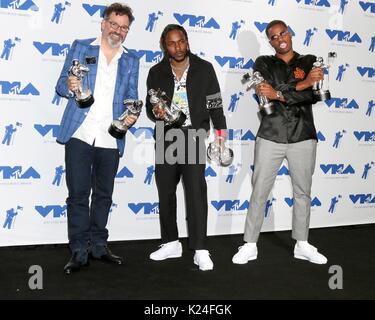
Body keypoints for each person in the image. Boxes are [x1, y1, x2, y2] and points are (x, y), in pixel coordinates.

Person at [232, 20, 328, 265]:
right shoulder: (263, 63)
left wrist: (282, 93)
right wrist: (301, 85)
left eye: (282, 33)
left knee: (302, 193)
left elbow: (313, 95)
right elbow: (265, 92)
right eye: (273, 37)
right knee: (259, 191)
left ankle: (302, 244)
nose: (279, 38)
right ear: (270, 41)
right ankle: (250, 244)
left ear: (290, 33)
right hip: (270, 134)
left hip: (303, 135)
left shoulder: (309, 61)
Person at [55, 3, 140, 274]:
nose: (118, 30)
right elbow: (60, 86)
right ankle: (79, 250)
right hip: (80, 133)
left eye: (124, 27)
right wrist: (70, 86)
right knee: (78, 195)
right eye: (114, 24)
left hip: (111, 136)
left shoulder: (131, 59)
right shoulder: (82, 46)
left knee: (104, 195)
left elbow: (131, 96)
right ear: (103, 23)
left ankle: (100, 246)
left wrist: (131, 115)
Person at [146, 24, 228, 271]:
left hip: (193, 136)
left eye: (181, 41)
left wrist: (221, 134)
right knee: (166, 193)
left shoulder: (205, 69)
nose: (178, 47)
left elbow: (215, 105)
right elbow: (151, 109)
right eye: (172, 43)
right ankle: (171, 242)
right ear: (164, 45)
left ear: (187, 41)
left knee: (195, 193)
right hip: (165, 137)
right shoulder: (156, 71)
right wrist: (156, 112)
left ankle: (200, 248)